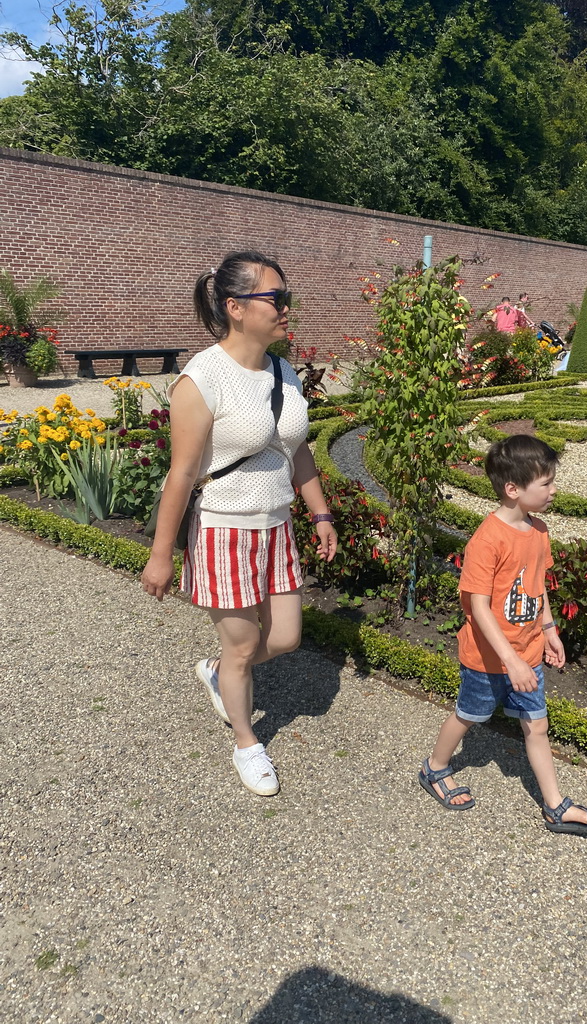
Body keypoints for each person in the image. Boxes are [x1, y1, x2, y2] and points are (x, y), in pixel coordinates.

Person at [141, 250, 337, 797]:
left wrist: (318, 511)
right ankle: (247, 742)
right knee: (245, 649)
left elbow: (296, 451)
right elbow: (180, 475)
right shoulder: (201, 379)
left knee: (287, 637)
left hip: (276, 527)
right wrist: (161, 555)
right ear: (235, 307)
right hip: (223, 528)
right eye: (275, 298)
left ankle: (215, 670)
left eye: (285, 297)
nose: (285, 307)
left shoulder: (284, 372)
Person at [418, 436, 587, 837]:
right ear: (513, 489)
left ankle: (555, 805)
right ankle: (435, 768)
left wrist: (550, 630)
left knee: (536, 727)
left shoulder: (538, 531)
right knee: (468, 715)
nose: (554, 489)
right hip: (488, 659)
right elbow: (478, 608)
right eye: (546, 483)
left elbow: (536, 587)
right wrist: (511, 660)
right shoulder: (487, 540)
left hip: (528, 652)